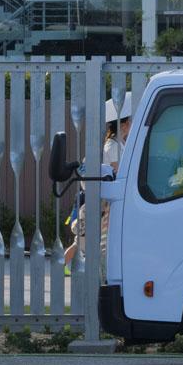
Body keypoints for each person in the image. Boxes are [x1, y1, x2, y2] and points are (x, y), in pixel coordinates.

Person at [63, 99, 123, 270]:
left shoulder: (118, 145)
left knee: (90, 241)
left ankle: (72, 267)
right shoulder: (112, 146)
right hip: (99, 201)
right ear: (123, 125)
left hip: (104, 201)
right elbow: (116, 171)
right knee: (81, 241)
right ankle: (63, 266)